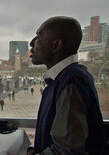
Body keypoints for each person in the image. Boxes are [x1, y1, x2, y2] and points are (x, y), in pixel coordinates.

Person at [28, 16, 104, 154]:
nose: (31, 43)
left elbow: (66, 150)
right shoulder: (66, 78)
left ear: (56, 45)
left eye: (38, 37)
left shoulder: (71, 81)